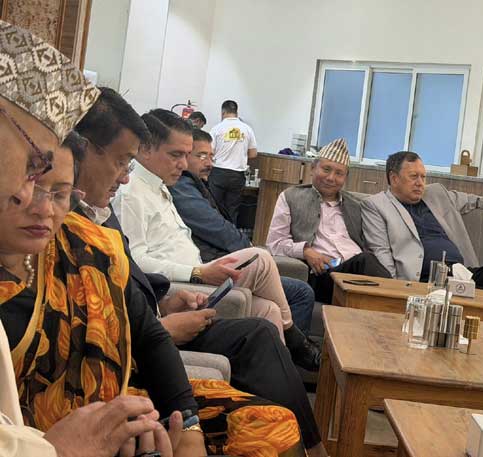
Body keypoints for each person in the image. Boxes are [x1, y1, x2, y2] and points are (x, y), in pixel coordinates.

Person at [1, 129, 311, 456]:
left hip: (119, 398)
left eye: (60, 194)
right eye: (30, 188)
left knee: (272, 424)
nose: (45, 210)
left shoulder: (90, 246)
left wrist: (188, 426)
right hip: (34, 438)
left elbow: (149, 336)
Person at [74, 88, 327, 455]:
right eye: (121, 162)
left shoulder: (109, 211)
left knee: (266, 321)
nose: (125, 177)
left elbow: (130, 290)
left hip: (160, 315)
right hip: (137, 351)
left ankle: (311, 441)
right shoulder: (90, 222)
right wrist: (185, 291)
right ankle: (312, 438)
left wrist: (165, 305)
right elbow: (100, 334)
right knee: (262, 290)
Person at [0, 20, 174, 457]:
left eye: (58, 190)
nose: (31, 198)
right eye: (32, 165)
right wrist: (57, 449)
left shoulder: (86, 242)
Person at [112, 109, 320, 370]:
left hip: (197, 273)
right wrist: (197, 272)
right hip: (181, 285)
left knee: (269, 310)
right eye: (176, 155)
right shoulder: (131, 193)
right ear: (144, 149)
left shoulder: (160, 186)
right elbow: (135, 261)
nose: (183, 164)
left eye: (187, 155)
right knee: (261, 258)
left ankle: (279, 382)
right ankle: (294, 338)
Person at [362, 151, 483, 346]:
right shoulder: (376, 205)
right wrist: (397, 292)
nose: (420, 183)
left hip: (461, 273)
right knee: (474, 296)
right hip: (426, 280)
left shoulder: (436, 194)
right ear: (394, 178)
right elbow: (380, 252)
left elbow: (473, 200)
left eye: (423, 177)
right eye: (413, 176)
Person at [168, 128, 316, 333]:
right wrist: (247, 246)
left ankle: (289, 348)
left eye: (211, 156)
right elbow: (217, 228)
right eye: (201, 156)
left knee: (275, 303)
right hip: (210, 265)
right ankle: (296, 342)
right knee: (298, 290)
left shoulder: (196, 185)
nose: (209, 163)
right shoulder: (182, 186)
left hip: (218, 260)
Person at [267, 138, 391, 303]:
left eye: (339, 173)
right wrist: (305, 251)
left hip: (357, 272)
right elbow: (275, 243)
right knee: (366, 261)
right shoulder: (291, 197)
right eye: (326, 169)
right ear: (313, 168)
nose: (331, 178)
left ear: (345, 178)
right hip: (323, 275)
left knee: (368, 262)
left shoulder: (356, 205)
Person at [207, 99, 257, 222]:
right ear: (236, 112)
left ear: (223, 112)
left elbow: (209, 152)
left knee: (214, 207)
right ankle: (230, 233)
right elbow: (253, 154)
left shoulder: (216, 129)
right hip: (237, 175)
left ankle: (213, 232)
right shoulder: (247, 129)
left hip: (218, 173)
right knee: (232, 210)